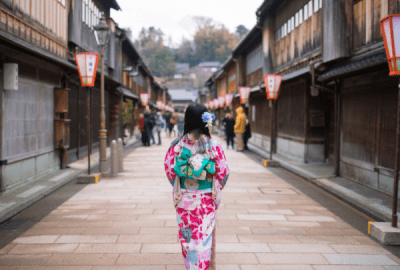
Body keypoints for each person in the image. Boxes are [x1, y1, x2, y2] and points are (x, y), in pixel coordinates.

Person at [164, 103, 229, 270]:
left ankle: (192, 266)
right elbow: (223, 172)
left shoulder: (177, 146)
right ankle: (202, 266)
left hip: (184, 201)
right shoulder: (213, 146)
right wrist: (214, 186)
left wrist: (182, 185)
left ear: (187, 121)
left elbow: (170, 171)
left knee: (188, 239)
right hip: (206, 201)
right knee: (204, 238)